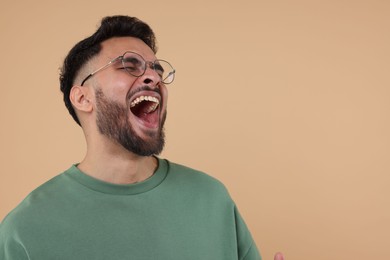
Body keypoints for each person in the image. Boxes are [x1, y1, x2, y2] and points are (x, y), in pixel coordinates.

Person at [0, 15, 284, 260]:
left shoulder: (211, 199)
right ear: (83, 97)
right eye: (129, 65)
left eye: (156, 69)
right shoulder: (25, 230)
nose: (153, 77)